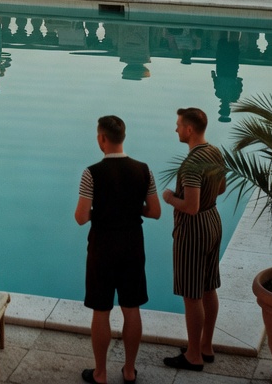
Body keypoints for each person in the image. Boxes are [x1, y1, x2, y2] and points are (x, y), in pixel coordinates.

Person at [74, 116, 161, 384]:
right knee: (131, 307)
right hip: (133, 245)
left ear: (102, 139)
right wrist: (135, 209)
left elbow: (80, 217)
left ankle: (100, 373)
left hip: (102, 247)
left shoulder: (91, 173)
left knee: (101, 310)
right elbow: (155, 212)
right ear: (123, 138)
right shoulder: (144, 170)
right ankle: (129, 370)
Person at [162, 107, 226, 372]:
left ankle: (193, 355)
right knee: (209, 287)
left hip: (194, 230)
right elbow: (221, 188)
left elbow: (190, 206)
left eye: (178, 125)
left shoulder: (191, 164)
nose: (176, 129)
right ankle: (205, 346)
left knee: (192, 294)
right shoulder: (214, 152)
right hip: (213, 221)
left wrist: (169, 198)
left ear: (189, 129)